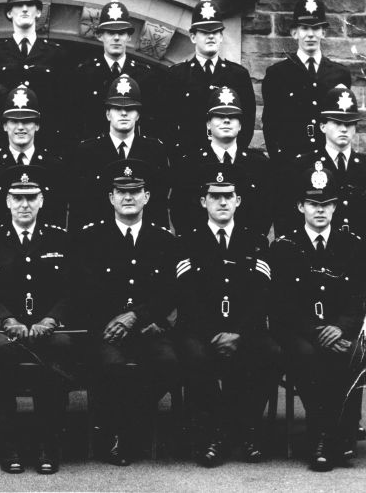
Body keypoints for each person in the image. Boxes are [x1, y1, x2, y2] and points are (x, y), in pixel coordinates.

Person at [73, 159, 180, 466]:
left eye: (135, 191)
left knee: (169, 363)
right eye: (121, 191)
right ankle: (117, 434)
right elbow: (82, 290)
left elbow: (170, 292)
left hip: (146, 328)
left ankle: (129, 426)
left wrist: (138, 316)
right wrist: (111, 321)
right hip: (104, 331)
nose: (128, 197)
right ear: (111, 198)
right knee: (113, 368)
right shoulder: (90, 238)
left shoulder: (164, 240)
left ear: (147, 197)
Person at [173, 163, 280, 467]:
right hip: (198, 329)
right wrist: (213, 334)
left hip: (244, 329)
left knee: (271, 353)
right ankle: (215, 434)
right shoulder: (187, 241)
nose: (222, 202)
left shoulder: (255, 240)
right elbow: (186, 295)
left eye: (228, 196)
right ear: (203, 201)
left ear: (238, 201)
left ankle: (247, 428)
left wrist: (238, 333)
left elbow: (262, 294)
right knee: (196, 356)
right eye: (215, 196)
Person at [0, 165, 72, 474]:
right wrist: (6, 319)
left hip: (48, 327)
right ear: (7, 202)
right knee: (0, 352)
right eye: (18, 198)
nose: (24, 204)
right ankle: (10, 443)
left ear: (42, 200)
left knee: (61, 347)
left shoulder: (61, 239)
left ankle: (48, 443)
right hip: (4, 329)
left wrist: (52, 320)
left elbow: (74, 290)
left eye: (31, 197)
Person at [270, 164, 366, 471]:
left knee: (352, 353)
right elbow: (281, 303)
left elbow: (357, 297)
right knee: (309, 355)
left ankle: (341, 437)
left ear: (336, 206)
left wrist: (339, 328)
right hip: (298, 332)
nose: (320, 210)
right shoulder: (284, 247)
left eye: (326, 204)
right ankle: (323, 438)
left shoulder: (352, 245)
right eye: (313, 204)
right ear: (301, 206)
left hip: (340, 330)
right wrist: (316, 331)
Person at [0, 0, 71, 154]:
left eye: (30, 4)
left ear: (38, 12)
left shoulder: (57, 54)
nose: (24, 9)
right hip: (4, 144)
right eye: (18, 5)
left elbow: (65, 105)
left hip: (48, 143)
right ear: (8, 12)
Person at [262, 0, 351, 167]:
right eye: (304, 28)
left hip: (329, 163)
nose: (310, 34)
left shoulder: (339, 74)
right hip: (291, 162)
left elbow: (344, 123)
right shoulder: (278, 74)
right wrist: (281, 164)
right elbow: (271, 125)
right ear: (294, 33)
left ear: (324, 32)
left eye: (316, 28)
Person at [70, 74, 170, 230]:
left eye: (130, 109)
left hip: (143, 238)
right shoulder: (87, 152)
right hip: (98, 239)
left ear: (138, 114)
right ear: (108, 114)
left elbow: (159, 203)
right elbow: (79, 205)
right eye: (117, 108)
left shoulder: (155, 150)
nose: (124, 113)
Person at [171, 85, 273, 237]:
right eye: (219, 116)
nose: (226, 120)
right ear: (208, 124)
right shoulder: (189, 165)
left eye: (233, 116)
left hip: (246, 250)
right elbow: (180, 212)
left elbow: (266, 211)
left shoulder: (259, 164)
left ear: (240, 125)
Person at [163, 0, 256, 158]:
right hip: (187, 159)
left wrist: (232, 154)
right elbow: (166, 123)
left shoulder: (238, 75)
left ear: (221, 36)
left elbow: (246, 122)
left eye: (215, 32)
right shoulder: (176, 75)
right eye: (205, 32)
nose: (211, 37)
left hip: (226, 159)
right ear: (193, 37)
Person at [276, 85, 366, 237]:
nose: (344, 129)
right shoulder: (302, 165)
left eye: (349, 123)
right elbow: (287, 216)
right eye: (337, 122)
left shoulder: (363, 165)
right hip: (317, 251)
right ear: (323, 126)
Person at [0, 84, 66, 231]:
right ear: (5, 126)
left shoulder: (54, 167)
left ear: (37, 125)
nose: (20, 127)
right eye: (14, 121)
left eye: (27, 120)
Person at [74, 0, 161, 138]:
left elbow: (151, 122)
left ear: (129, 37)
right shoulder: (84, 73)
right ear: (99, 35)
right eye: (110, 32)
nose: (116, 38)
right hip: (93, 151)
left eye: (121, 33)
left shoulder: (145, 75)